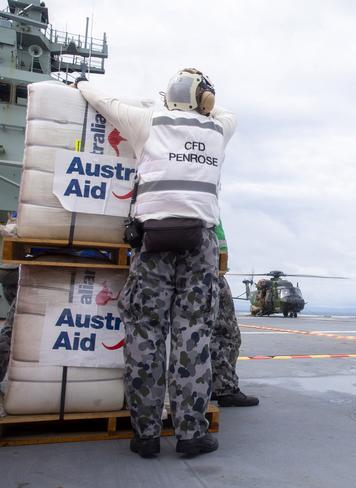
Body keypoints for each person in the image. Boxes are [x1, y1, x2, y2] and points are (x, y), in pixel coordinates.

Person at [77, 67, 236, 457]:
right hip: (199, 242)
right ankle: (190, 433)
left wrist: (80, 83)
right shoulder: (219, 128)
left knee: (145, 334)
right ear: (206, 101)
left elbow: (103, 101)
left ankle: (145, 435)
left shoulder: (147, 120)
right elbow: (222, 113)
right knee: (193, 334)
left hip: (152, 241)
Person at [210, 222, 259, 407]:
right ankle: (224, 388)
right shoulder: (204, 201)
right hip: (210, 269)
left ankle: (212, 385)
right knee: (226, 334)